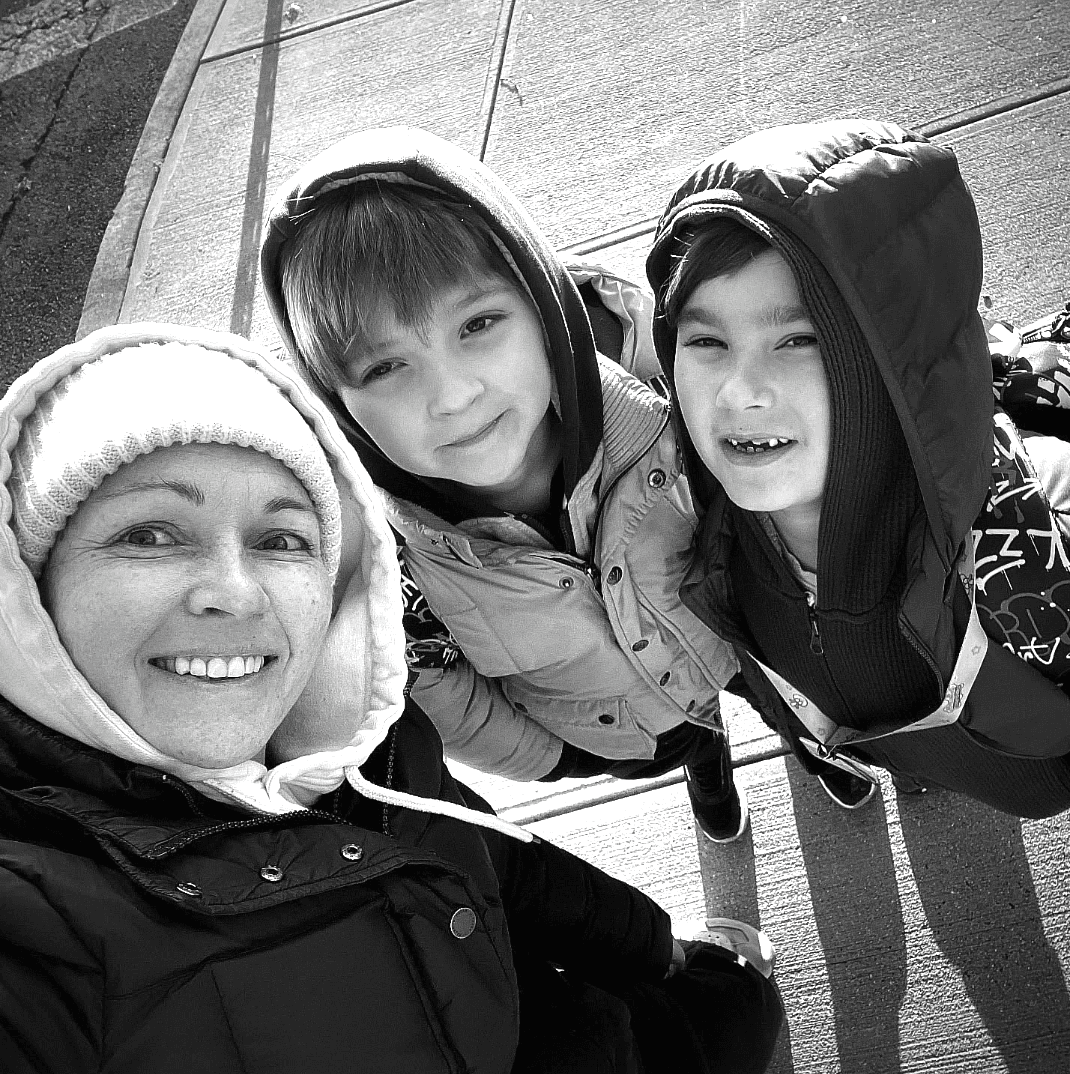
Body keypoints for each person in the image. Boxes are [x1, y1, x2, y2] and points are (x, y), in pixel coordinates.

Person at [0, 323, 783, 1073]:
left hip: (621, 1032)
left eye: (282, 540)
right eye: (149, 535)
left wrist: (650, 944)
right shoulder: (38, 917)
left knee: (735, 1014)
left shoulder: (366, 744)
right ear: (30, 588)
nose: (234, 595)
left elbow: (497, 857)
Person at [258, 125, 752, 841]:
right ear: (341, 406)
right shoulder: (391, 565)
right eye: (385, 368)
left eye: (479, 323)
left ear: (544, 307)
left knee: (787, 706)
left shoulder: (659, 387)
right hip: (617, 734)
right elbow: (433, 682)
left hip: (741, 649)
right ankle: (707, 771)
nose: (452, 396)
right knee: (690, 747)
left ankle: (819, 744)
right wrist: (549, 758)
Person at [644, 117, 1070, 819]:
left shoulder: (1033, 538)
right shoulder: (697, 521)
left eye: (799, 339)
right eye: (707, 341)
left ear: (894, 362)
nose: (740, 390)